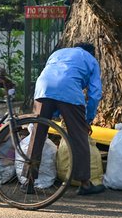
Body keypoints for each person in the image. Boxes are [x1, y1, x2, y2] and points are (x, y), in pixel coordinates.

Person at [30, 42, 104, 195]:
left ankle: (29, 180)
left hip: (43, 89)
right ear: (91, 52)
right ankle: (84, 183)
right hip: (69, 91)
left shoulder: (58, 53)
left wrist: (56, 113)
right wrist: (87, 119)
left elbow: (53, 77)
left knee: (37, 135)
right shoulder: (91, 59)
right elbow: (95, 93)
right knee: (79, 137)